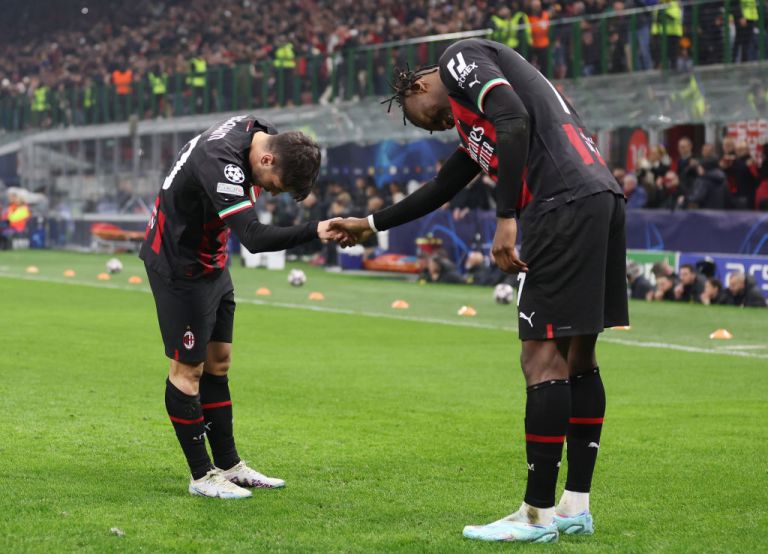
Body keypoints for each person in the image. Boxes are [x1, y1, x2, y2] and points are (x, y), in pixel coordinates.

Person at [330, 38, 627, 543]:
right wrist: (372, 223)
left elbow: (513, 120)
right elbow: (444, 185)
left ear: (420, 85)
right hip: (598, 194)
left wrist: (506, 217)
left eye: (423, 117)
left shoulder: (459, 58)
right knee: (579, 357)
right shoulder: (474, 120)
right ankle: (575, 504)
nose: (435, 126)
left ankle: (535, 515)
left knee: (540, 359)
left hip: (560, 202)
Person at [139, 114, 346, 499]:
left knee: (218, 363)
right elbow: (252, 236)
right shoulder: (221, 161)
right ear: (266, 160)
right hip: (179, 265)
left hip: (211, 262)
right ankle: (202, 476)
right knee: (188, 370)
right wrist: (316, 230)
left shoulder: (257, 130)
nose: (270, 192)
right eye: (275, 186)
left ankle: (230, 466)